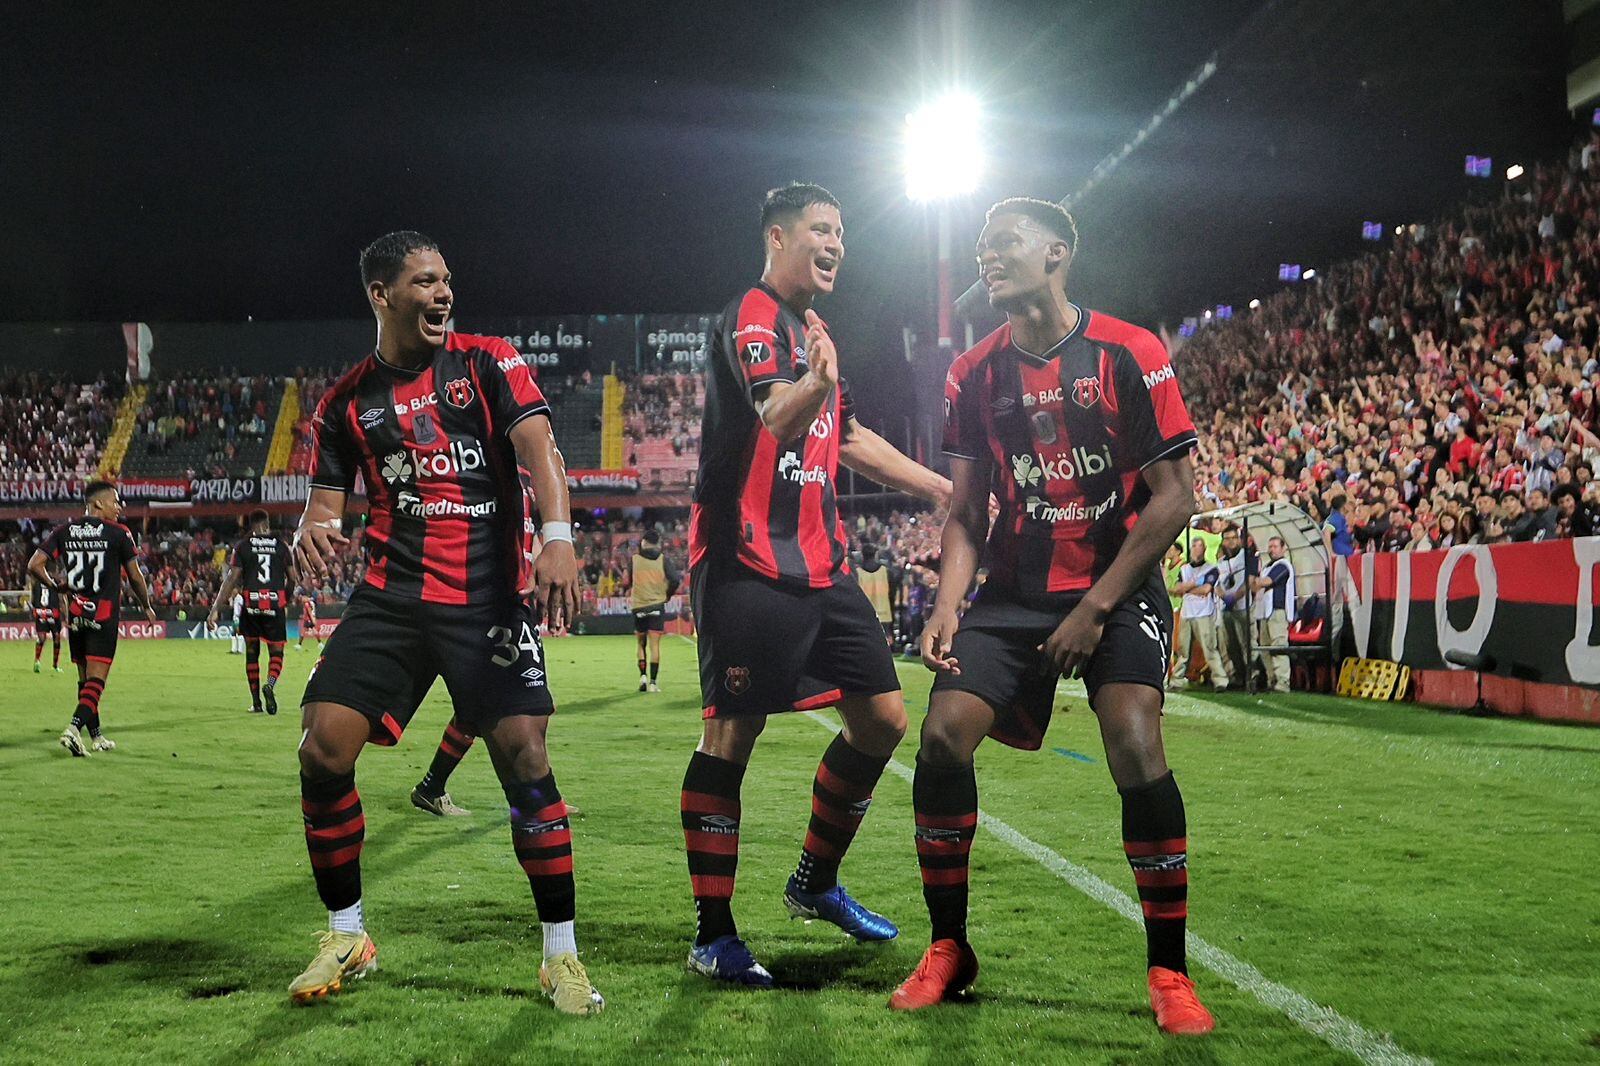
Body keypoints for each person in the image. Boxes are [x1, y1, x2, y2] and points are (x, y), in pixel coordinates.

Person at [899, 197, 1213, 1035]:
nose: (986, 257)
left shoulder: (1129, 350)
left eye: (1003, 243)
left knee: (1135, 739)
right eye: (980, 247)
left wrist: (1097, 607)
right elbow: (967, 510)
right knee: (940, 736)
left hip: (1116, 583)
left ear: (1057, 253)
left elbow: (1175, 497)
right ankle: (949, 948)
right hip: (1014, 594)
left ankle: (1169, 971)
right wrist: (945, 603)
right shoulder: (973, 373)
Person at [286, 231, 603, 1014]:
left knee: (525, 756)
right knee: (322, 748)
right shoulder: (344, 403)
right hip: (392, 598)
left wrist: (556, 539)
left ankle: (560, 956)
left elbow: (540, 450)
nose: (442, 293)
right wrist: (309, 531)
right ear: (381, 295)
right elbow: (325, 506)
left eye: (447, 281)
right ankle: (347, 931)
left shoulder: (487, 360)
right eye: (424, 282)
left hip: (485, 598)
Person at [683, 183, 951, 986]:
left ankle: (815, 880)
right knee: (734, 734)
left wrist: (942, 489)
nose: (836, 244)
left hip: (821, 560)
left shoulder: (815, 329)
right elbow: (778, 416)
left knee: (882, 718)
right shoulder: (754, 315)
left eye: (842, 232)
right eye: (820, 230)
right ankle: (714, 935)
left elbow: (850, 437)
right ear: (777, 236)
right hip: (744, 557)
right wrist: (818, 385)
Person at [28, 481, 159, 756]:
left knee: (84, 680)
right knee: (97, 681)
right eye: (115, 501)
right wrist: (146, 605)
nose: (119, 506)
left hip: (76, 614)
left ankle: (96, 736)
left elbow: (34, 565)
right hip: (103, 613)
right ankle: (73, 729)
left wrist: (54, 586)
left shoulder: (63, 531)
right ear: (98, 504)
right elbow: (135, 576)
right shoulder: (119, 533)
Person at [208, 509, 295, 715]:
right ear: (267, 525)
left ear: (251, 527)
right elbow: (293, 578)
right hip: (274, 604)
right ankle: (270, 684)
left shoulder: (243, 547)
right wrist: (286, 598)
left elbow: (231, 579)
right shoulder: (282, 546)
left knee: (251, 654)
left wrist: (214, 610)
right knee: (276, 653)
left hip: (251, 605)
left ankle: (256, 703)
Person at [1173, 538, 1229, 690]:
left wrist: (1187, 589)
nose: (1197, 549)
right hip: (1187, 612)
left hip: (1204, 612)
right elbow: (1177, 588)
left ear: (1204, 549)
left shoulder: (1211, 568)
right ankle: (1177, 680)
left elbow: (1206, 589)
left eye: (1200, 546)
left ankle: (1221, 681)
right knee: (1183, 650)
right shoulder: (1185, 569)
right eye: (1194, 546)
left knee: (1209, 648)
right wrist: (1192, 587)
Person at [631, 528, 680, 692]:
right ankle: (653, 683)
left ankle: (642, 677)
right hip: (657, 605)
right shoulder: (662, 560)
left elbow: (627, 580)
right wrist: (667, 595)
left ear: (644, 542)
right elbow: (675, 579)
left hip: (639, 605)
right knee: (655, 645)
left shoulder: (635, 560)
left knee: (640, 644)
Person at [1249, 537, 1295, 693]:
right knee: (1265, 648)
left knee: (1278, 646)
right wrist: (1257, 582)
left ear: (1283, 549)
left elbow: (1266, 582)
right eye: (1270, 546)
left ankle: (1283, 682)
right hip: (1264, 613)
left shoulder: (1283, 565)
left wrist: (1255, 580)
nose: (1272, 549)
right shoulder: (1269, 566)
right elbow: (1256, 586)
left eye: (1275, 546)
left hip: (1278, 611)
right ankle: (1272, 679)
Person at [855, 543, 897, 644]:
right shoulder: (886, 572)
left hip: (865, 614)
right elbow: (892, 595)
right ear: (876, 554)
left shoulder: (857, 573)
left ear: (862, 555)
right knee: (885, 644)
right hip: (884, 614)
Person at [26, 569, 63, 674]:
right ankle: (50, 665)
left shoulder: (36, 583)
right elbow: (61, 598)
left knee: (47, 638)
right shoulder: (55, 582)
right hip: (51, 612)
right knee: (53, 637)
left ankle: (41, 662)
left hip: (42, 612)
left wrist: (33, 608)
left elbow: (33, 598)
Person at [230, 588, 246, 654]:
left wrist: (241, 615)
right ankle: (233, 649)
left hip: (238, 617)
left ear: (237, 591)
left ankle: (240, 650)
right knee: (233, 633)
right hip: (234, 617)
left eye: (234, 591)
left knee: (239, 632)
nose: (233, 592)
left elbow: (243, 607)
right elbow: (231, 607)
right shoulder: (234, 598)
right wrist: (231, 600)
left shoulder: (239, 598)